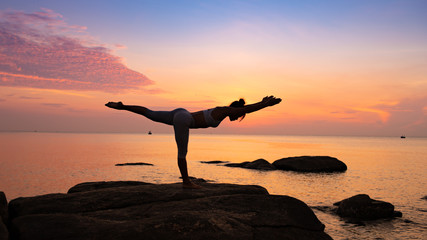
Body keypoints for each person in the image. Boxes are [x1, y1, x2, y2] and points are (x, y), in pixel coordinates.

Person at [105, 95, 282, 189]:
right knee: (182, 153)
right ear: (236, 110)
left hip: (180, 113)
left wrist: (262, 103)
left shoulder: (222, 110)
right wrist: (264, 104)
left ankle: (122, 106)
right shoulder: (225, 110)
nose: (237, 119)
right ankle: (186, 182)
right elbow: (247, 109)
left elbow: (245, 109)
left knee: (149, 113)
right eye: (239, 116)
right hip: (184, 120)